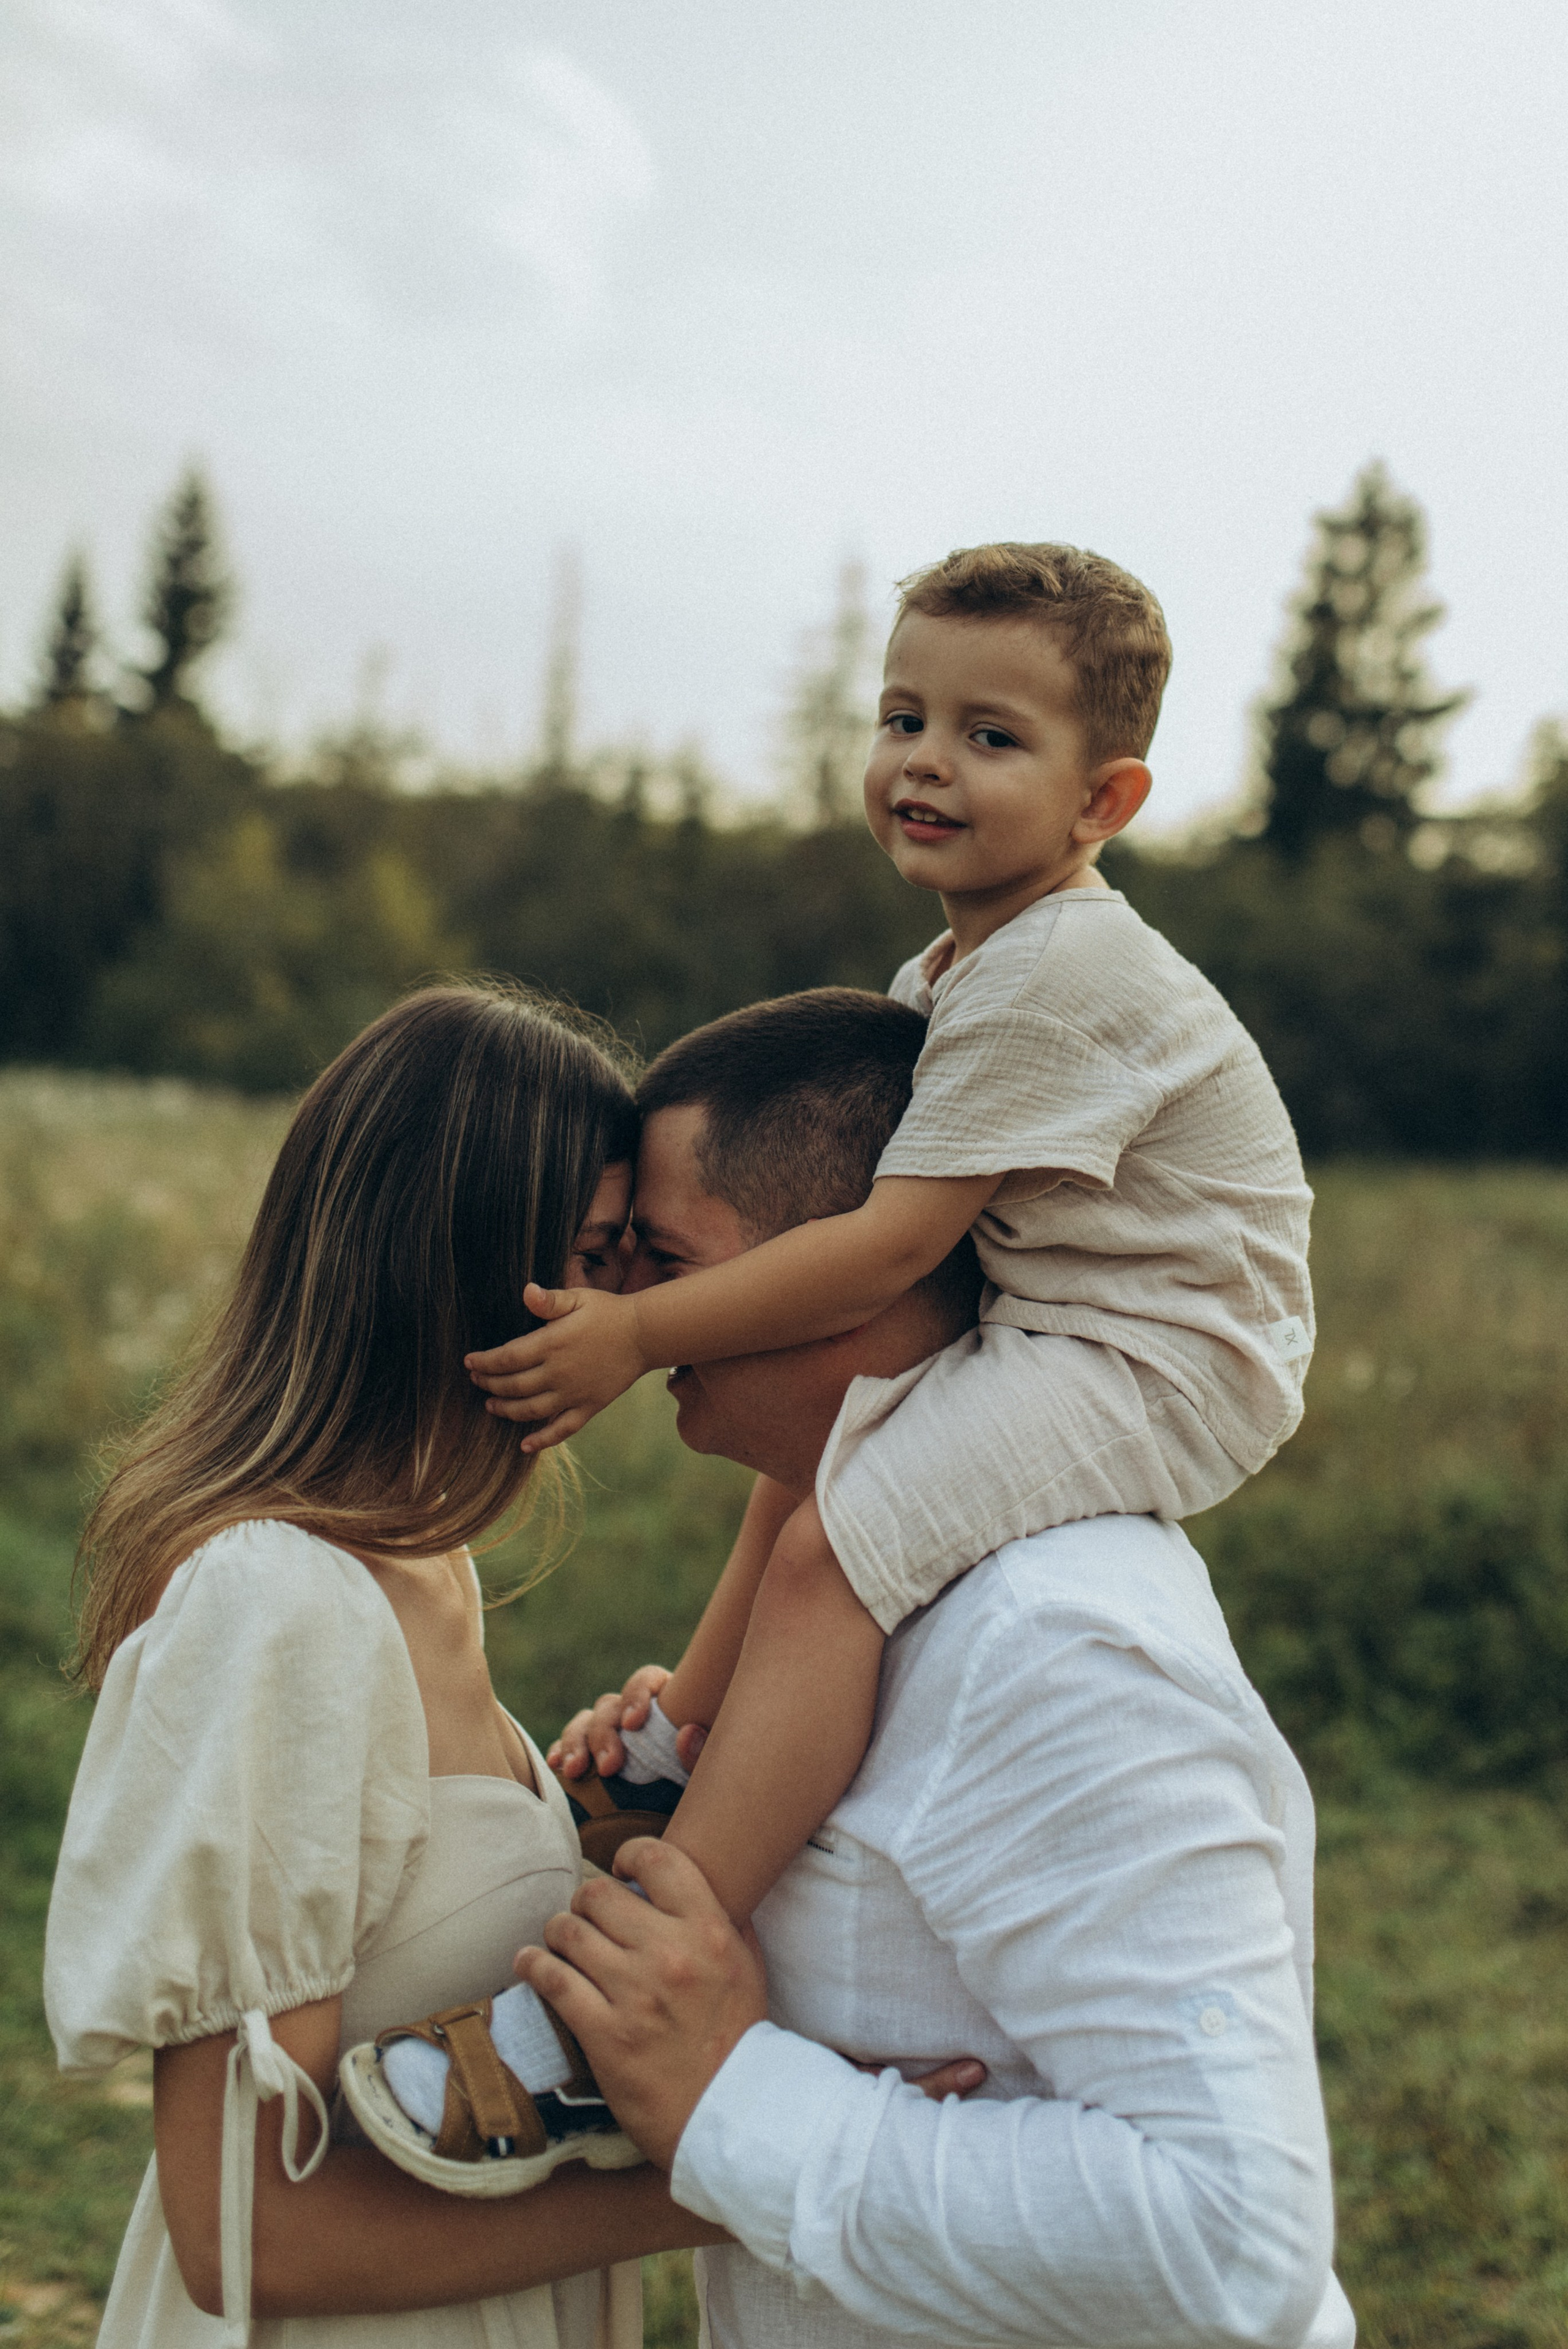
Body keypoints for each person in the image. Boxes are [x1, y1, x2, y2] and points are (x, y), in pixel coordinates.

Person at [460, 540, 1315, 1937]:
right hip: (1065, 1318)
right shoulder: (957, 968)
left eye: (988, 737)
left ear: (1103, 799)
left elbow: (878, 1248)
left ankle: (668, 1940)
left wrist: (635, 1332)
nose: (922, 762)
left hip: (1162, 1355)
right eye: (902, 718)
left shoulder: (1055, 970)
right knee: (813, 1463)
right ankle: (672, 1755)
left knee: (838, 1546)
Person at [520, 987, 1355, 2349]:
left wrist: (731, 2097)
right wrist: (663, 1787)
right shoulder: (833, 1567)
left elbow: (1231, 2245)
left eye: (665, 1260)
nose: (623, 1309)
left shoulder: (1053, 1646)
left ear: (857, 1271)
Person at [42, 982, 734, 2349]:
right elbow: (243, 2234)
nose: (632, 1314)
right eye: (597, 1254)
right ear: (461, 1266)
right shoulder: (280, 1603)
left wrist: (603, 1827)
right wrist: (722, 2182)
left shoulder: (421, 1567)